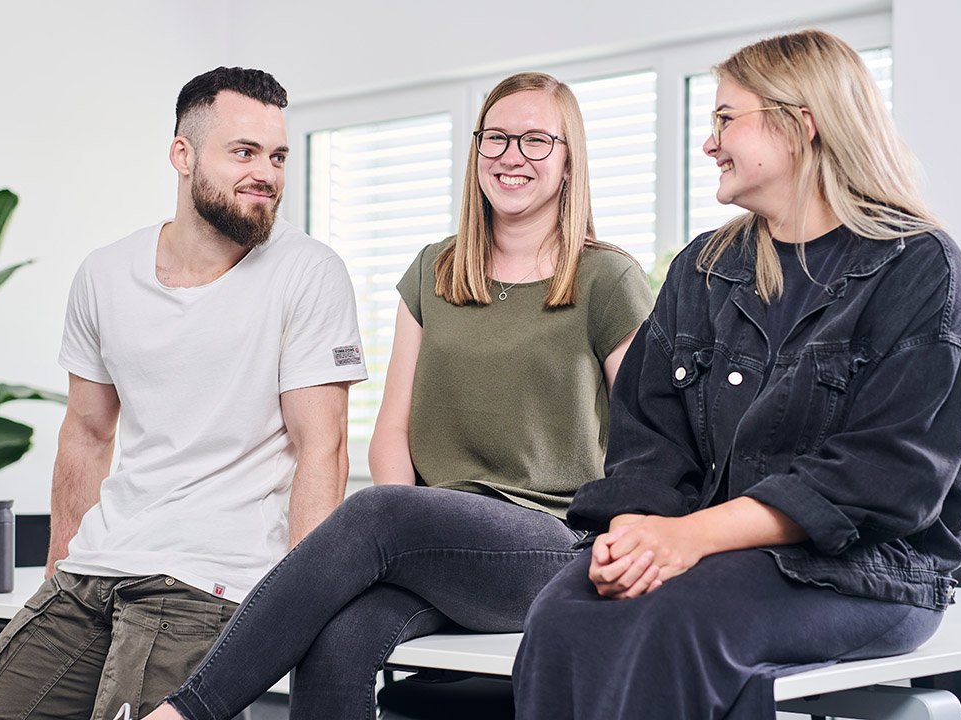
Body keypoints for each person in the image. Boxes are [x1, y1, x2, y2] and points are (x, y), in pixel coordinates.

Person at [143, 71, 656, 720]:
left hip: (552, 545)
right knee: (336, 636)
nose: (511, 156)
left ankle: (186, 712)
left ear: (568, 157)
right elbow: (394, 428)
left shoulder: (608, 278)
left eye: (535, 141)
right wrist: (410, 525)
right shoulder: (435, 271)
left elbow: (648, 443)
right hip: (437, 541)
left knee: (380, 512)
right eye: (495, 138)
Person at [513, 29, 961, 720]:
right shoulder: (703, 268)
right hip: (706, 554)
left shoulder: (916, 265)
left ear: (800, 125)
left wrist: (690, 538)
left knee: (681, 622)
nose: (710, 143)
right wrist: (630, 537)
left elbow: (886, 475)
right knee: (563, 610)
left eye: (726, 118)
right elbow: (650, 446)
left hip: (864, 572)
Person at [0, 67, 368, 720]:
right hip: (94, 570)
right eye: (243, 152)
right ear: (183, 155)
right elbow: (87, 433)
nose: (265, 172)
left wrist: (296, 616)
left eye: (277, 156)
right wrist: (57, 575)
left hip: (210, 581)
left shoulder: (308, 273)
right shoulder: (105, 273)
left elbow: (322, 447)